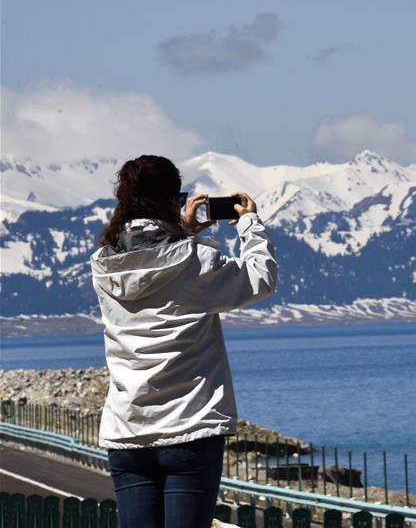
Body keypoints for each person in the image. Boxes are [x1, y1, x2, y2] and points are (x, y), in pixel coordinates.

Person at [90, 155, 277, 527]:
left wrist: (181, 232)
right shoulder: (194, 260)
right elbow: (261, 278)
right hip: (191, 428)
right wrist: (250, 225)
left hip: (128, 430)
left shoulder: (103, 264)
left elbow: (153, 263)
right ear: (172, 200)